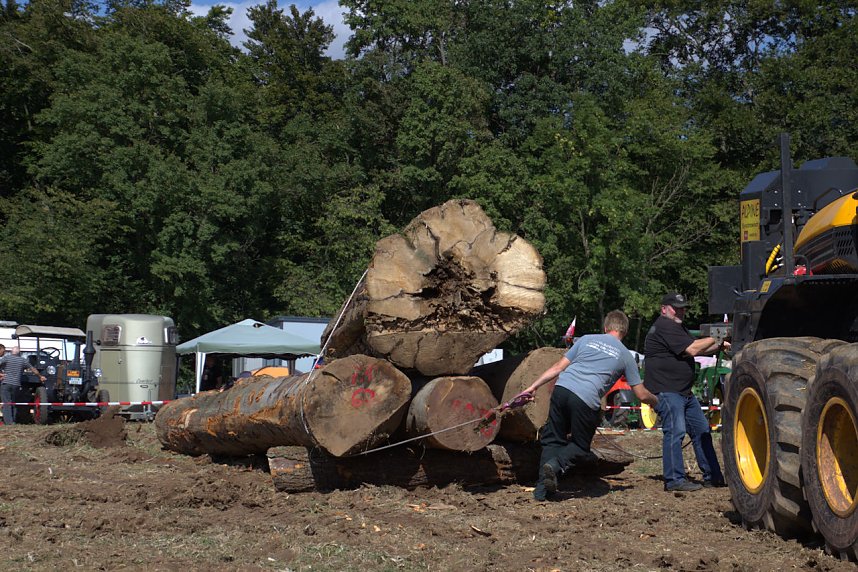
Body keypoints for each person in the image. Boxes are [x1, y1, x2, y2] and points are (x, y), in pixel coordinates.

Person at [521, 310, 659, 501]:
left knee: (552, 440)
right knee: (580, 445)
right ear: (625, 332)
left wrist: (533, 387)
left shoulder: (585, 339)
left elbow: (558, 367)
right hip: (585, 399)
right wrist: (657, 402)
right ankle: (554, 466)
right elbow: (641, 394)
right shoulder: (626, 355)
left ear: (605, 327)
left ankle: (542, 492)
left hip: (561, 389)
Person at [644, 292, 728, 492]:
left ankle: (713, 477)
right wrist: (719, 335)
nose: (681, 311)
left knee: (702, 431)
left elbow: (699, 349)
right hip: (667, 390)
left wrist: (719, 344)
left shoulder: (677, 327)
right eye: (676, 307)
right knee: (675, 431)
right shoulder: (664, 326)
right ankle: (674, 480)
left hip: (683, 392)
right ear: (664, 308)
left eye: (683, 307)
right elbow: (692, 349)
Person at [0, 345, 46, 425]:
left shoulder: (6, 358)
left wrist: (1, 374)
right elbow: (33, 369)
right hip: (16, 384)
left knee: (6, 403)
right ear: (19, 353)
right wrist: (40, 376)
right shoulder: (23, 360)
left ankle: (8, 423)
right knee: (13, 403)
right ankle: (13, 421)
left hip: (6, 383)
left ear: (11, 352)